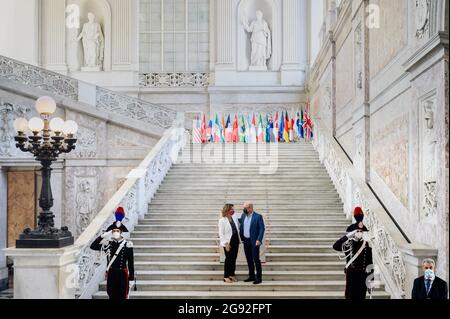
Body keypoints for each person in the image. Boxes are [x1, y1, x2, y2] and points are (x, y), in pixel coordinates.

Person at [90, 207, 135, 300]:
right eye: (114, 231)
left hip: (122, 275)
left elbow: (131, 263)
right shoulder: (108, 244)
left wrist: (131, 278)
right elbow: (93, 246)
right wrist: (102, 236)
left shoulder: (128, 245)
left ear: (121, 232)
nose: (115, 232)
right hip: (111, 274)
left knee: (122, 297)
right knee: (112, 297)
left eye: (117, 231)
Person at [333, 224, 373, 300]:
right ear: (353, 232)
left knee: (361, 296)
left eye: (361, 231)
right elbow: (335, 246)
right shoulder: (348, 243)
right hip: (351, 275)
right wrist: (347, 236)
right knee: (350, 296)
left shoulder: (367, 245)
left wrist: (371, 280)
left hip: (363, 276)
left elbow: (370, 264)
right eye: (357, 231)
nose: (359, 233)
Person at [239, 201, 265, 284]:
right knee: (249, 259)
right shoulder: (243, 216)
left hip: (254, 241)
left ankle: (259, 277)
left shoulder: (258, 217)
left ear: (250, 207)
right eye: (244, 208)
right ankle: (251, 276)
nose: (244, 209)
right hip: (246, 241)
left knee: (256, 259)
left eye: (245, 208)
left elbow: (262, 229)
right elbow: (239, 223)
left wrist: (259, 239)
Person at [218, 204, 240, 283]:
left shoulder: (233, 218)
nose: (233, 210)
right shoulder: (222, 220)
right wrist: (226, 243)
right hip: (228, 242)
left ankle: (232, 274)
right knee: (228, 259)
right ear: (227, 210)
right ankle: (226, 276)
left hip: (235, 240)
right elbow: (221, 233)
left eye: (233, 209)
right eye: (231, 209)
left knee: (234, 259)